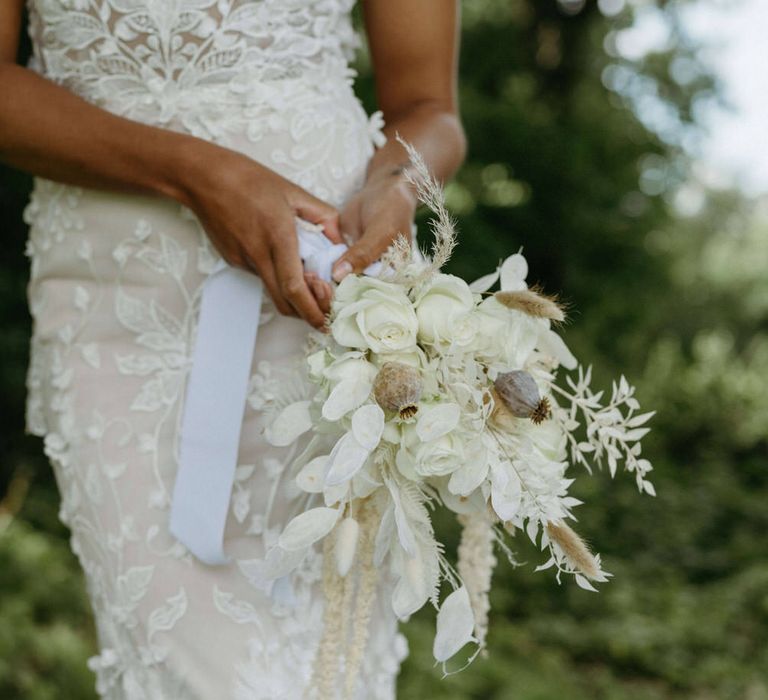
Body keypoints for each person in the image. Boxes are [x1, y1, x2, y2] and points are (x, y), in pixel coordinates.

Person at [0, 1, 465, 697]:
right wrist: (194, 172)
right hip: (121, 314)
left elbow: (431, 107)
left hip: (323, 312)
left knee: (329, 668)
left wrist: (397, 185)